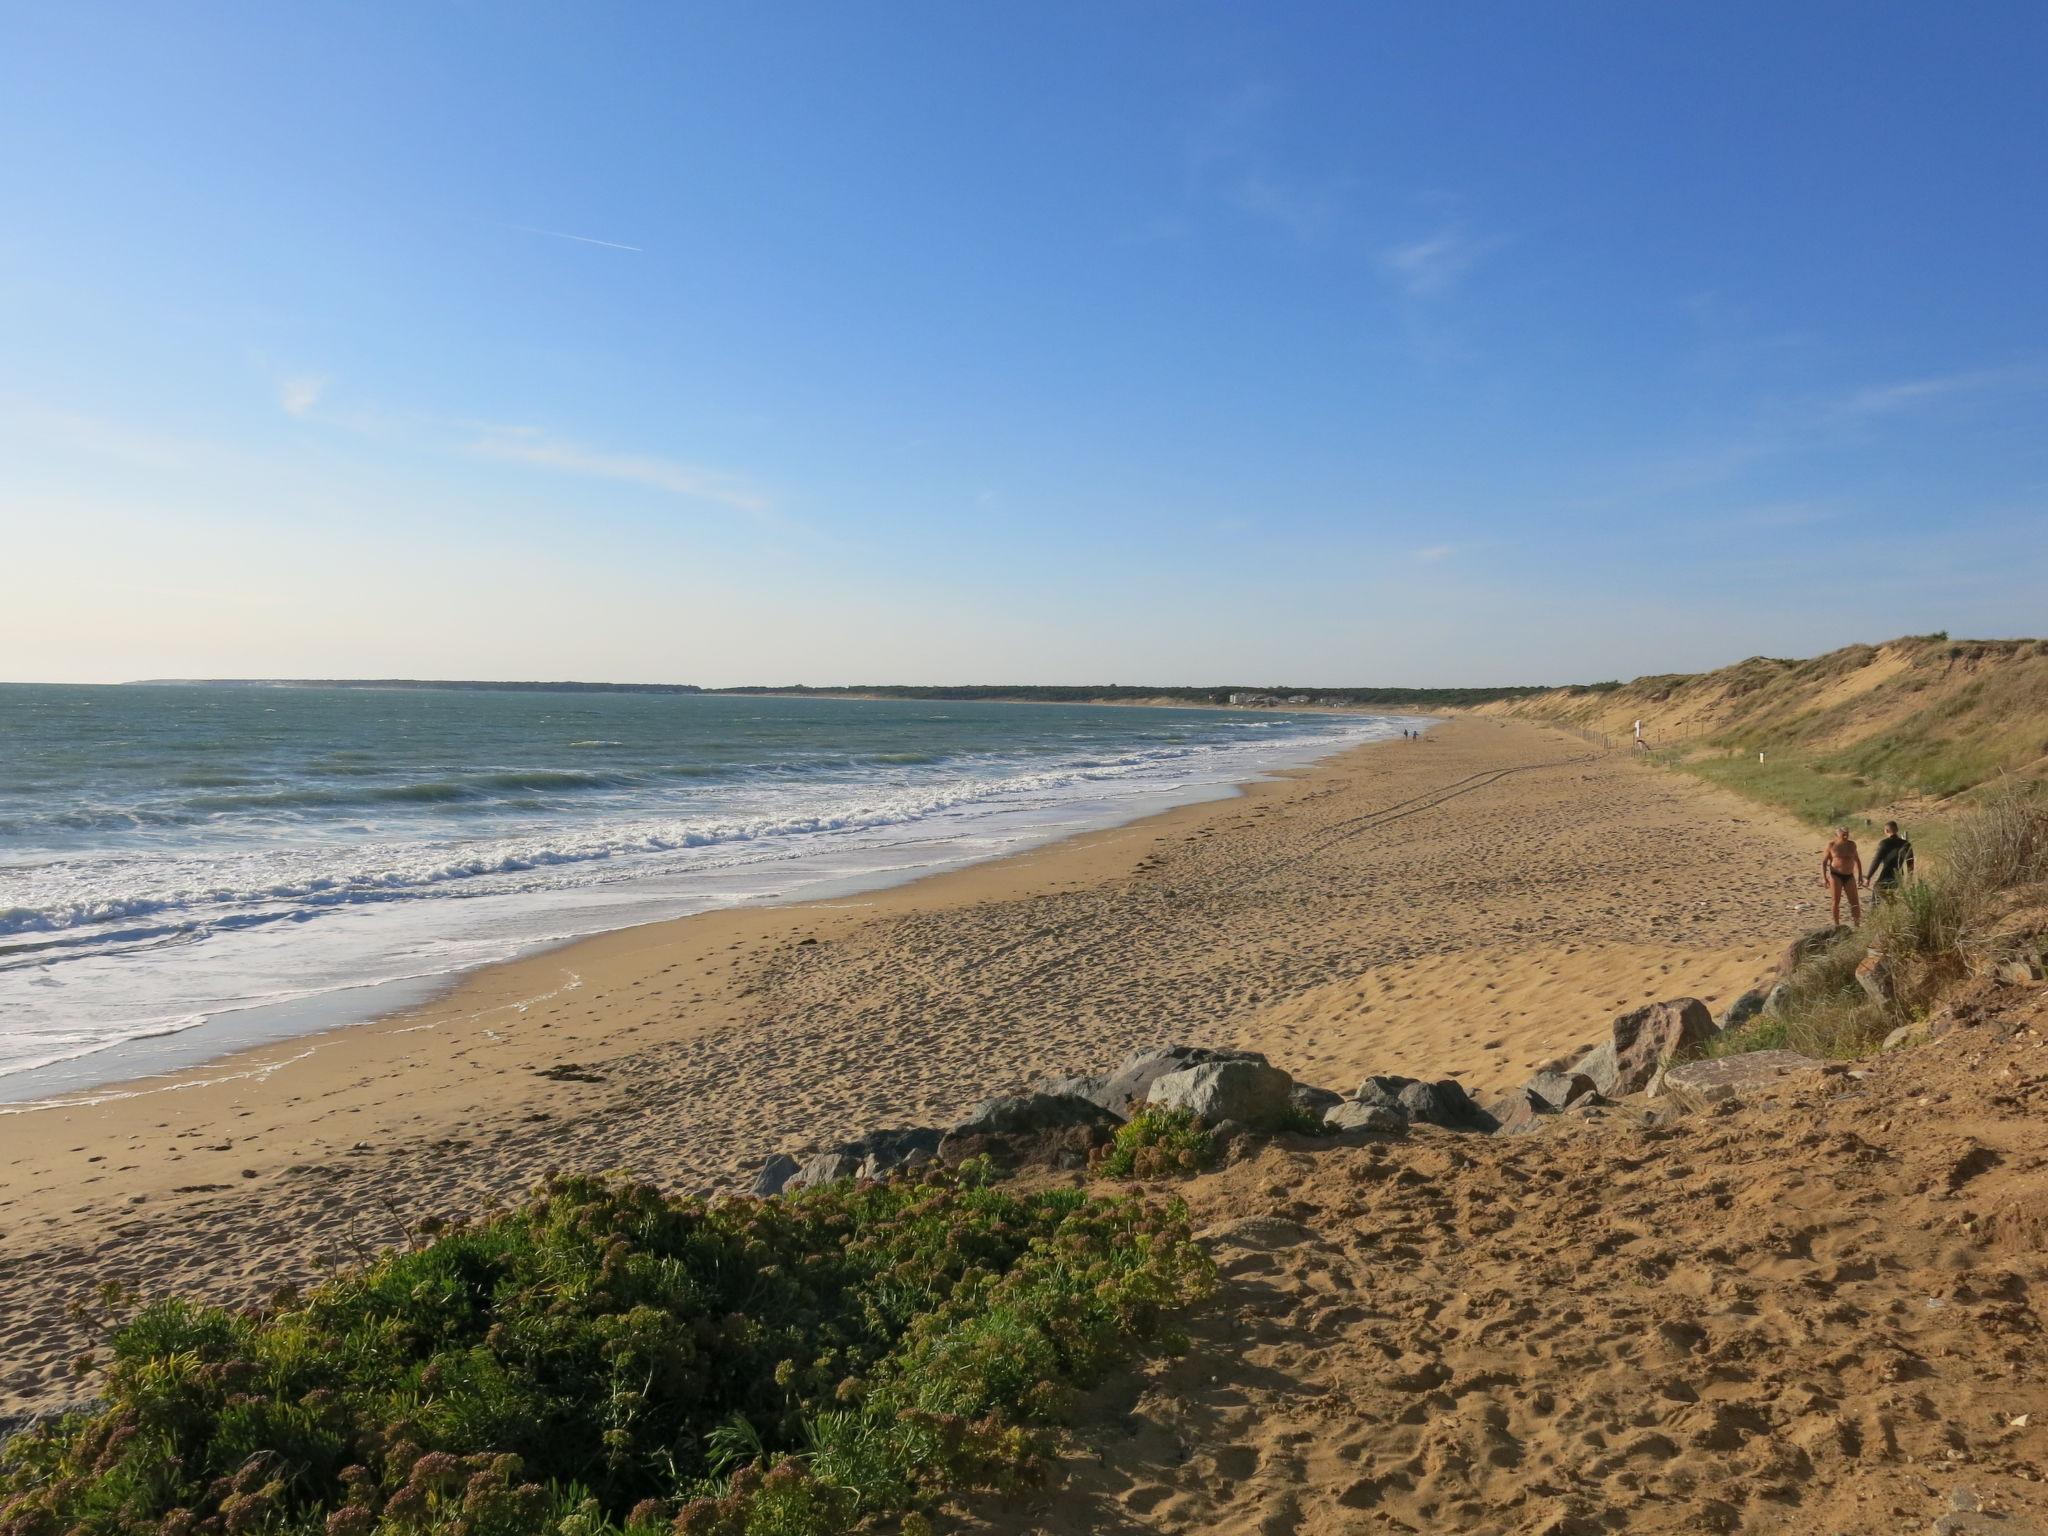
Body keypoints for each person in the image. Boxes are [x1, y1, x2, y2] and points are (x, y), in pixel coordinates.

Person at [1822, 826, 1863, 927]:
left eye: (1847, 834)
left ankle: (1857, 924)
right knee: (1836, 901)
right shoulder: (1831, 845)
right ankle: (1837, 925)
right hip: (1836, 875)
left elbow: (1857, 860)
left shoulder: (1852, 845)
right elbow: (1824, 862)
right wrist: (1824, 878)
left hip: (1849, 875)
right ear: (1837, 835)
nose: (1846, 836)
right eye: (1843, 834)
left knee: (1854, 901)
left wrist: (1860, 875)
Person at [1866, 820, 1916, 903]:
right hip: (1899, 874)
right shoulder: (1906, 844)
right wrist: (1910, 877)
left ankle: (1878, 911)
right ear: (1897, 830)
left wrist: (1868, 877)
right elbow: (1910, 862)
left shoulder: (1884, 843)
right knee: (1892, 893)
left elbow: (1876, 860)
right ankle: (1892, 906)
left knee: (1877, 890)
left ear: (1886, 831)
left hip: (1886, 873)